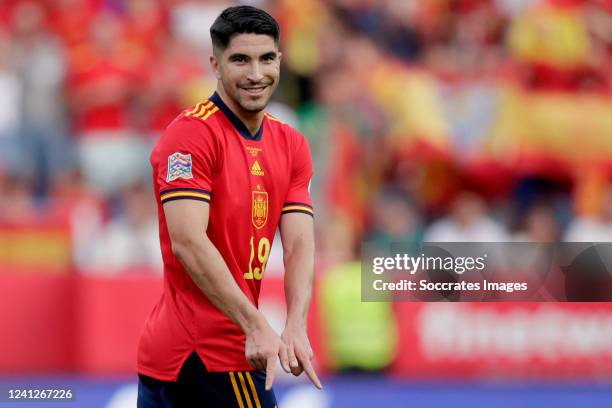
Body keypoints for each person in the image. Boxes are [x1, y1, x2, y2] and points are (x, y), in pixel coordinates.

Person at [137, 6, 321, 407]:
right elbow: (188, 241)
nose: (256, 73)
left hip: (204, 352)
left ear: (280, 61)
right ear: (215, 64)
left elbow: (299, 243)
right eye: (240, 59)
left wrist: (296, 324)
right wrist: (255, 323)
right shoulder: (191, 135)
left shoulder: (291, 143)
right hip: (206, 353)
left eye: (266, 58)